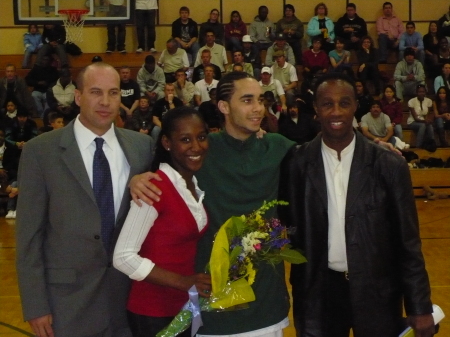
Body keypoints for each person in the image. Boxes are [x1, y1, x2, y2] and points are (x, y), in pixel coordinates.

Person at [130, 71, 297, 337]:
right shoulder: (200, 152)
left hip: (267, 303)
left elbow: (325, 157)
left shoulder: (278, 147)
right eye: (247, 100)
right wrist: (136, 180)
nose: (258, 108)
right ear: (223, 106)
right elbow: (161, 172)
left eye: (261, 100)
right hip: (211, 303)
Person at [281, 72, 434, 337]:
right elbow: (290, 225)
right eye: (327, 104)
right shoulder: (297, 163)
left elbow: (408, 242)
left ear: (355, 106)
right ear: (316, 109)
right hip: (319, 294)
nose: (336, 111)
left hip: (378, 292)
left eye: (344, 102)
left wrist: (419, 306)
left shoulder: (388, 165)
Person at [16, 62, 154, 337]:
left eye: (113, 93)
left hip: (128, 299)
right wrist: (35, 305)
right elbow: (29, 238)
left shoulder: (142, 148)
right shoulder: (40, 152)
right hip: (66, 302)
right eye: (95, 92)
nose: (105, 102)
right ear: (78, 97)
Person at [113, 106, 211, 337]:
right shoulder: (154, 188)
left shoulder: (192, 185)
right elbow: (123, 257)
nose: (196, 147)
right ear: (167, 143)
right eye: (185, 139)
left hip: (184, 307)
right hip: (152, 312)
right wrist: (184, 282)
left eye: (202, 137)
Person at [407, 84, 435, 148]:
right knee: (423, 125)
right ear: (416, 92)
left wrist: (427, 120)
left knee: (430, 125)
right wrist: (425, 121)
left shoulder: (429, 101)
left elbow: (427, 114)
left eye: (423, 92)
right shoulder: (411, 101)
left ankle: (432, 144)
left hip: (424, 121)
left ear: (425, 92)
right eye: (419, 92)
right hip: (413, 121)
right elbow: (415, 118)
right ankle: (418, 146)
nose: (421, 93)